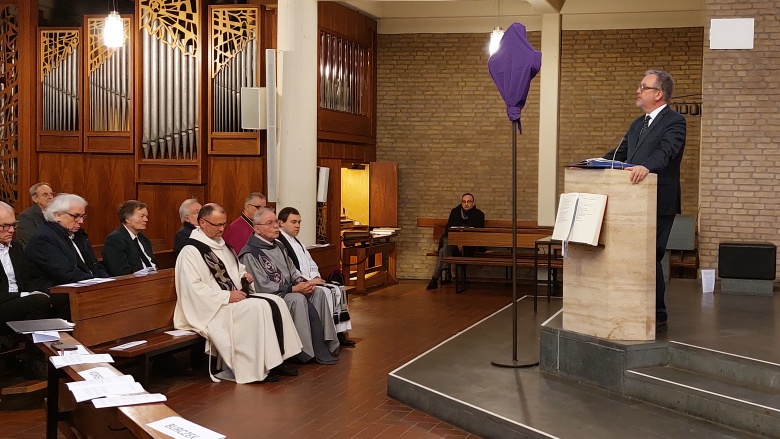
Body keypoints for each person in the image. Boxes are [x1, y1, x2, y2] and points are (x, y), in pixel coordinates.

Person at [175, 203, 302, 383]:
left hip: (231, 298)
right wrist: (227, 296)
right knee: (258, 308)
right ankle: (255, 368)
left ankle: (277, 360)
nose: (221, 229)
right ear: (202, 223)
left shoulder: (222, 245)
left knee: (275, 302)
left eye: (223, 224)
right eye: (217, 225)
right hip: (212, 307)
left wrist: (244, 276)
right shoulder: (191, 251)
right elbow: (192, 288)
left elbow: (235, 269)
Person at [602, 69, 686, 332]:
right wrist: (595, 164)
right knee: (634, 256)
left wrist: (645, 167)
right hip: (632, 202)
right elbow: (621, 152)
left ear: (658, 94)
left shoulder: (675, 121)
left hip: (658, 201)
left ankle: (657, 313)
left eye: (643, 87)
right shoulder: (638, 124)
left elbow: (667, 152)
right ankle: (632, 306)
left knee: (651, 256)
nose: (638, 91)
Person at [239, 208, 340, 365]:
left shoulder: (278, 245)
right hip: (273, 297)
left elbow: (292, 270)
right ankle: (303, 351)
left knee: (318, 292)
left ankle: (324, 344)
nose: (275, 226)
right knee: (298, 298)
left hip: (291, 289)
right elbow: (261, 285)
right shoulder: (250, 253)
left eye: (275, 222)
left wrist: (302, 282)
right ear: (256, 228)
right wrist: (293, 289)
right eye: (270, 223)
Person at [277, 207, 355, 347]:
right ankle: (326, 336)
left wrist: (314, 276)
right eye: (293, 222)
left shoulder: (297, 241)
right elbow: (290, 270)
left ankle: (339, 332)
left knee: (339, 289)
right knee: (327, 292)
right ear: (281, 223)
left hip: (311, 279)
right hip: (301, 282)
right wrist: (310, 281)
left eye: (299, 222)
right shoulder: (280, 243)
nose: (297, 225)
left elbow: (311, 262)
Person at [25, 193, 109, 319]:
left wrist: (109, 282)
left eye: (82, 216)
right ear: (58, 215)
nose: (81, 221)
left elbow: (94, 265)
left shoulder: (78, 235)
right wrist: (98, 285)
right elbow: (65, 273)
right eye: (76, 216)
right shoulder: (43, 238)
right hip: (57, 293)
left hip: (83, 286)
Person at [0, 202, 51, 378]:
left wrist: (35, 292)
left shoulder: (16, 248)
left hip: (19, 301)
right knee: (38, 302)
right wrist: (27, 295)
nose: (11, 230)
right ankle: (35, 361)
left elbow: (27, 281)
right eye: (4, 226)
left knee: (57, 297)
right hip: (3, 303)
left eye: (13, 225)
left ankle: (62, 358)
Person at [426, 193, 485, 290]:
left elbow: (477, 233)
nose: (466, 204)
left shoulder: (479, 215)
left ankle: (436, 278)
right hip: (453, 246)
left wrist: (463, 242)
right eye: (464, 201)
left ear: (473, 203)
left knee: (442, 251)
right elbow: (448, 230)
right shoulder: (455, 212)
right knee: (446, 241)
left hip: (468, 247)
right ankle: (444, 271)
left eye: (468, 202)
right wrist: (457, 242)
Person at [102, 200, 156, 276]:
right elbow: (121, 272)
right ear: (127, 219)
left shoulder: (143, 238)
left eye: (146, 216)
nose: (146, 220)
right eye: (142, 216)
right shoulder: (114, 240)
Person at [16, 182, 55, 248]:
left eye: (51, 194)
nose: (50, 197)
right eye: (45, 194)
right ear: (35, 199)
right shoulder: (25, 217)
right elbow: (36, 241)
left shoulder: (57, 214)